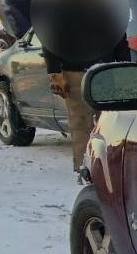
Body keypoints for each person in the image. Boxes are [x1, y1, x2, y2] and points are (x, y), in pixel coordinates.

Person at [46, 35, 129, 171]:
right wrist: (124, 66)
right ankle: (101, 168)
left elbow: (51, 35)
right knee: (107, 123)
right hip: (103, 69)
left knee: (82, 123)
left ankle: (85, 167)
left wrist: (54, 71)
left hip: (79, 70)